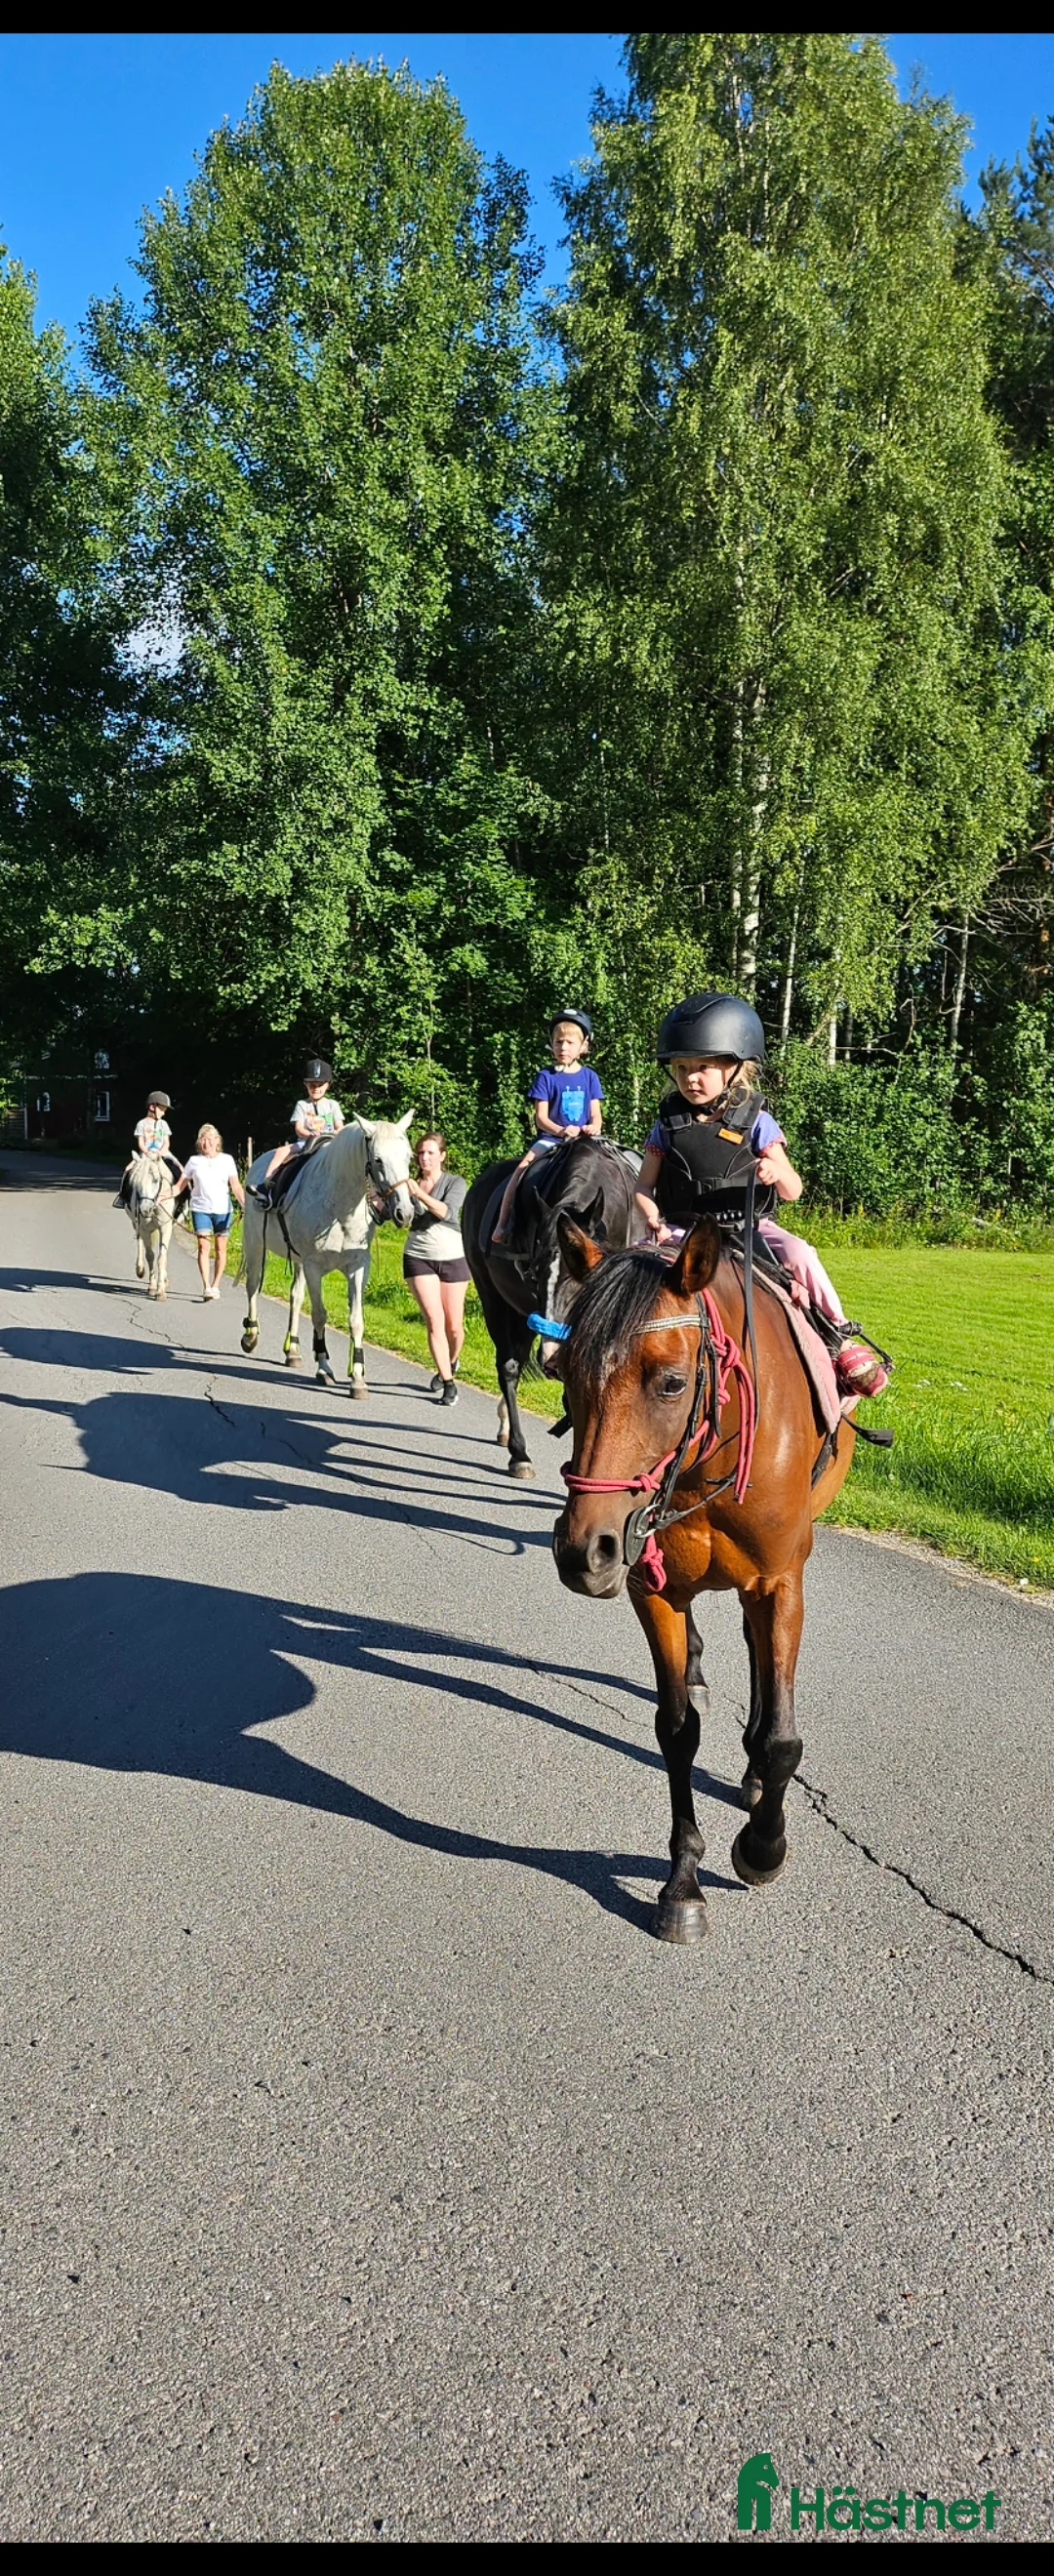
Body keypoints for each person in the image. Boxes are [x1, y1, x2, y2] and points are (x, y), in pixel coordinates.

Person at [632, 991, 889, 1397]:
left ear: (735, 1068)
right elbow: (644, 1186)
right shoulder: (666, 1125)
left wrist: (775, 1171)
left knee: (801, 1255)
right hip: (684, 1231)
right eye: (681, 1068)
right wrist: (652, 1218)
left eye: (702, 1068)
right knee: (630, 1270)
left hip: (748, 1228)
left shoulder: (757, 1121)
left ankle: (838, 1336)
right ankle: (605, 1348)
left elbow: (793, 1189)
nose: (690, 1078)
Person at [492, 1011, 604, 1246]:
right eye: (558, 1042)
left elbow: (596, 1115)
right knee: (521, 1170)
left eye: (570, 1042)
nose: (563, 1047)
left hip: (583, 1140)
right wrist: (561, 1131)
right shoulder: (545, 1076)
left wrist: (593, 1127)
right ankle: (504, 1223)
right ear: (551, 1045)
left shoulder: (590, 1077)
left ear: (583, 1046)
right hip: (552, 1140)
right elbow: (541, 1118)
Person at [402, 1131, 470, 1405]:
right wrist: (378, 1201)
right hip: (418, 1256)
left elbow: (446, 1212)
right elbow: (396, 1216)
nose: (425, 1158)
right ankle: (448, 1383)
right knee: (434, 1320)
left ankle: (451, 1361)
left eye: (430, 1152)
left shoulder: (455, 1183)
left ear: (442, 1156)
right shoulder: (407, 1183)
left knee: (454, 1327)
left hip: (453, 1256)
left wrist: (418, 1194)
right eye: (421, 1153)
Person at [248, 1058, 345, 1206]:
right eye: (312, 1085)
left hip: (328, 1143)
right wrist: (309, 1134)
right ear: (305, 1084)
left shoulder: (333, 1105)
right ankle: (266, 1186)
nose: (316, 1088)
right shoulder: (302, 1105)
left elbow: (340, 1126)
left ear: (328, 1085)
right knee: (281, 1151)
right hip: (306, 1142)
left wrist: (336, 1133)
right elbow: (299, 1129)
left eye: (320, 1085)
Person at [175, 1124, 245, 1300]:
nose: (206, 1143)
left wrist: (245, 1204)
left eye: (210, 1139)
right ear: (199, 1142)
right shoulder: (193, 1161)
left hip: (223, 1210)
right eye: (203, 1139)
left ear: (217, 1141)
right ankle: (206, 1286)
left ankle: (216, 1285)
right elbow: (179, 1186)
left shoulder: (227, 1160)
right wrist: (162, 1196)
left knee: (221, 1248)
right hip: (200, 1209)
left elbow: (236, 1186)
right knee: (203, 1246)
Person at [113, 1090, 182, 1209]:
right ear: (152, 1107)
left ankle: (185, 1197)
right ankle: (123, 1196)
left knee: (181, 1168)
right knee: (127, 1169)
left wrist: (160, 1153)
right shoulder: (141, 1124)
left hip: (163, 1153)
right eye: (162, 1110)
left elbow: (166, 1142)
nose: (163, 1113)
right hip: (146, 1154)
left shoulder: (163, 1124)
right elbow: (141, 1142)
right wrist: (146, 1152)